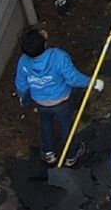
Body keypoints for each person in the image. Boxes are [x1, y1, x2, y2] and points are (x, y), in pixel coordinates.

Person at [15, 27, 95, 164]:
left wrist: (23, 97)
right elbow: (72, 78)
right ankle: (71, 154)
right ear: (44, 44)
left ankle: (49, 153)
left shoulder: (24, 61)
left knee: (45, 125)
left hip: (41, 102)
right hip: (61, 101)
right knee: (66, 127)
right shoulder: (58, 57)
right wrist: (91, 82)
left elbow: (21, 85)